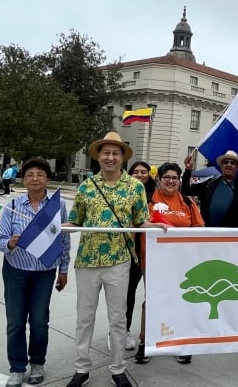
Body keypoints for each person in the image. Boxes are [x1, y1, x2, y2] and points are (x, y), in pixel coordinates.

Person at [65, 132, 162, 387]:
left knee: (118, 318)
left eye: (115, 153)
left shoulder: (135, 187)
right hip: (87, 261)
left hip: (119, 261)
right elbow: (75, 220)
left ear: (122, 158)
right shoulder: (86, 186)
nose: (110, 157)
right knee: (84, 317)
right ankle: (81, 369)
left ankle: (118, 369)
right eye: (105, 153)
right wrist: (53, 226)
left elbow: (141, 219)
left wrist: (158, 227)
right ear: (98, 157)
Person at [0, 157, 71, 386]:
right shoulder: (14, 206)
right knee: (16, 321)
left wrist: (64, 269)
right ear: (24, 179)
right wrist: (10, 243)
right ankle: (17, 367)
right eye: (30, 174)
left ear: (47, 179)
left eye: (40, 174)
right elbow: (0, 240)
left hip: (44, 272)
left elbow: (64, 240)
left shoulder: (57, 206)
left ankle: (37, 362)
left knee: (39, 320)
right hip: (15, 271)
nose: (35, 178)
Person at [135, 161, 204, 365]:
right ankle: (146, 343)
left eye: (175, 178)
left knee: (180, 300)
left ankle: (178, 342)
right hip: (154, 260)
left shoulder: (188, 202)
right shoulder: (147, 200)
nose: (171, 181)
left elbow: (199, 227)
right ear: (158, 180)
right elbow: (138, 223)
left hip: (181, 262)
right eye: (167, 178)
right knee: (153, 301)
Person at [124, 161, 156, 351]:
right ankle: (123, 330)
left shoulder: (155, 195)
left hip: (152, 250)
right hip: (130, 250)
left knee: (154, 294)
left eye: (143, 172)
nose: (139, 175)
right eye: (135, 172)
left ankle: (152, 332)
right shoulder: (125, 192)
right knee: (128, 293)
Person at [181, 150, 238, 227]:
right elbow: (186, 190)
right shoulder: (209, 183)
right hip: (208, 232)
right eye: (226, 162)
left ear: (237, 167)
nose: (229, 164)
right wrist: (188, 170)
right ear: (221, 166)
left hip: (231, 233)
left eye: (232, 163)